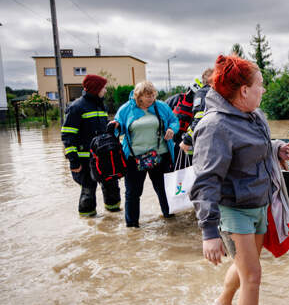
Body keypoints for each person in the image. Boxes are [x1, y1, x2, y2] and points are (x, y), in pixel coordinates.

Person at [190, 55, 289, 305]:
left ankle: (222, 303)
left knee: (246, 266)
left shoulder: (255, 115)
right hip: (232, 209)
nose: (264, 90)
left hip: (258, 203)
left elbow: (257, 146)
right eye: (260, 85)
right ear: (243, 91)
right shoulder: (215, 127)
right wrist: (209, 233)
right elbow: (205, 182)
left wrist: (276, 149)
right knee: (253, 276)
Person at [112, 81, 180, 227]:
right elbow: (118, 128)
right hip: (134, 159)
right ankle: (132, 226)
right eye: (147, 96)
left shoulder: (161, 106)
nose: (151, 98)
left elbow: (174, 121)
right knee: (132, 194)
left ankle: (170, 220)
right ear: (138, 96)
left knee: (163, 190)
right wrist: (115, 126)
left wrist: (172, 129)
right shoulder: (126, 109)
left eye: (153, 95)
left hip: (160, 156)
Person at [61, 74, 121, 217]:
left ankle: (114, 219)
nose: (105, 91)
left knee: (112, 188)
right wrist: (74, 161)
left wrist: (111, 127)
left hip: (103, 158)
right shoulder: (76, 107)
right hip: (84, 160)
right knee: (88, 192)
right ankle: (89, 223)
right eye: (103, 88)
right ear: (95, 89)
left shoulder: (101, 105)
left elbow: (100, 130)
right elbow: (67, 136)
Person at [179, 68, 213, 157]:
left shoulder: (203, 92)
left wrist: (187, 140)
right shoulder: (225, 92)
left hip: (208, 142)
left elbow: (199, 118)